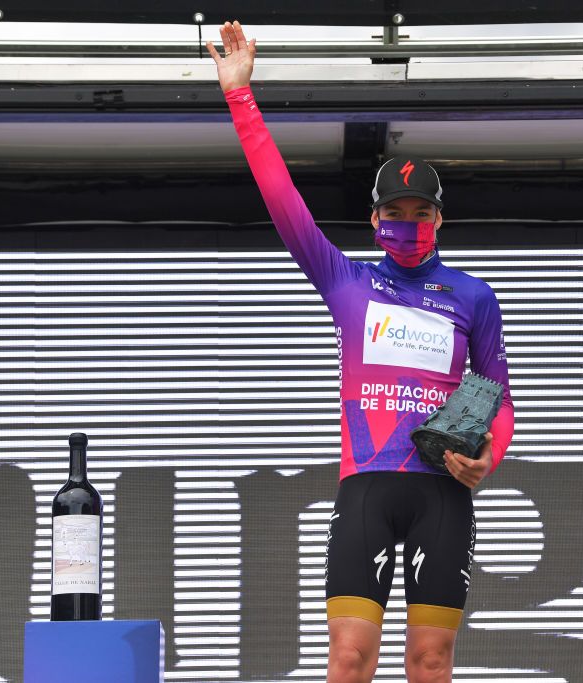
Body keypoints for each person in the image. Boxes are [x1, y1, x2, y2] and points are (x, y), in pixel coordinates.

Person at [206, 21, 515, 683]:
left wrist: (490, 453)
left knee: (430, 661)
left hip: (443, 495)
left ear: (440, 221)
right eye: (396, 211)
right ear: (374, 220)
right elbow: (283, 202)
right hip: (366, 485)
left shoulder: (473, 295)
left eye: (422, 212)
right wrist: (240, 95)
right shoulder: (347, 279)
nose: (410, 222)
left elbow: (499, 392)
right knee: (350, 658)